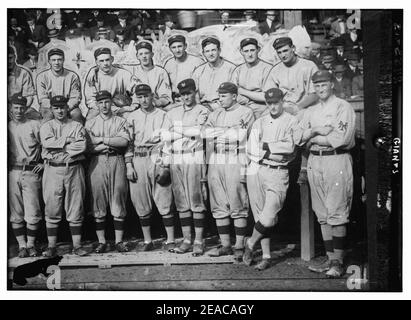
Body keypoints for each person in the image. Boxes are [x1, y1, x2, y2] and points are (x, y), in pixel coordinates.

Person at [296, 70, 356, 278]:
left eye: (324, 84)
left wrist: (314, 136)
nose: (320, 88)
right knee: (322, 214)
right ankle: (331, 258)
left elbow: (341, 138)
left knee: (337, 211)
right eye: (317, 85)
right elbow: (299, 138)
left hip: (336, 159)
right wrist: (316, 131)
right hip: (314, 160)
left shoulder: (343, 106)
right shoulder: (311, 111)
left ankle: (338, 261)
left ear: (332, 84)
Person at [243, 88, 299, 270]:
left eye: (276, 102)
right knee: (259, 214)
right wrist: (272, 152)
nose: (273, 106)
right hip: (259, 169)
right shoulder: (260, 122)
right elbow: (250, 149)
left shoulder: (291, 120)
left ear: (282, 101)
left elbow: (290, 147)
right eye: (269, 103)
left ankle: (250, 244)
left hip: (279, 172)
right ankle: (266, 256)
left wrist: (265, 147)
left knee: (268, 218)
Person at [203, 82, 255, 260]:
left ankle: (239, 244)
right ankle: (225, 244)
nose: (220, 98)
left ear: (234, 95)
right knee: (218, 203)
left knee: (237, 201)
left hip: (236, 156)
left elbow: (244, 138)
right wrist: (208, 164)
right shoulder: (215, 113)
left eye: (224, 95)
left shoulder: (245, 112)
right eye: (219, 95)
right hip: (216, 158)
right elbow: (208, 138)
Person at [125, 84, 175, 252]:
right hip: (138, 158)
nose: (144, 100)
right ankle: (147, 240)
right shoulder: (132, 116)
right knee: (140, 200)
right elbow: (129, 143)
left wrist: (165, 165)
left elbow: (168, 141)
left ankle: (171, 239)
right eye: (140, 97)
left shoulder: (163, 115)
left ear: (152, 95)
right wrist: (128, 165)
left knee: (164, 197)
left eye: (146, 96)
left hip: (156, 155)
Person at [164, 79, 209, 255]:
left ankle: (198, 240)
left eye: (189, 93)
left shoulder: (203, 110)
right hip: (176, 158)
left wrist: (178, 131)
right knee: (181, 202)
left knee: (196, 200)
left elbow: (198, 132)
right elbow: (166, 136)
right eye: (183, 94)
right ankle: (187, 239)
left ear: (195, 92)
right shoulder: (172, 113)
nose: (186, 97)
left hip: (193, 156)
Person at [40, 95, 89, 257]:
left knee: (76, 207)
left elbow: (81, 145)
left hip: (74, 168)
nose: (60, 110)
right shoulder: (46, 126)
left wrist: (59, 145)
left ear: (67, 108)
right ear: (52, 109)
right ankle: (52, 247)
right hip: (53, 170)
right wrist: (68, 141)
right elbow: (47, 143)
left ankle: (77, 245)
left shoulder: (76, 124)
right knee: (52, 207)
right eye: (56, 108)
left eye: (62, 107)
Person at [85, 91, 131, 253]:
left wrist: (102, 140)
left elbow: (123, 141)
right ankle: (102, 241)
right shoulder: (90, 123)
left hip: (116, 160)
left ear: (111, 102)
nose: (104, 105)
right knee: (98, 199)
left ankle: (119, 241)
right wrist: (111, 143)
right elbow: (88, 147)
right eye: (101, 102)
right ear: (97, 104)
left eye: (106, 102)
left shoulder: (120, 121)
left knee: (118, 197)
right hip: (97, 162)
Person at [8, 94, 43, 258]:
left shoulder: (34, 124)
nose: (19, 110)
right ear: (11, 108)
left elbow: (46, 145)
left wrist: (43, 162)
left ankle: (30, 245)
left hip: (30, 170)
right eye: (16, 107)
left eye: (22, 107)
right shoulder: (7, 126)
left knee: (33, 210)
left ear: (26, 108)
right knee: (16, 212)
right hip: (13, 171)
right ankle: (22, 245)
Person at [84, 47, 133, 119]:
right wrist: (107, 108)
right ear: (97, 62)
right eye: (101, 61)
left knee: (130, 117)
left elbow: (136, 90)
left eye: (107, 60)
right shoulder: (92, 76)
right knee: (90, 118)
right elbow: (90, 100)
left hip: (120, 107)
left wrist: (133, 106)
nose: (105, 63)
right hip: (101, 108)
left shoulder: (123, 73)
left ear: (112, 59)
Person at [36, 48, 83, 123]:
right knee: (48, 116)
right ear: (49, 61)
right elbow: (42, 99)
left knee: (76, 114)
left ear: (63, 60)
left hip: (68, 106)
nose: (56, 63)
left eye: (59, 60)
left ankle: (77, 134)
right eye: (53, 60)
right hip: (49, 107)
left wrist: (65, 108)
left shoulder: (72, 76)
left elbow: (75, 97)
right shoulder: (42, 77)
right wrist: (55, 109)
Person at [231, 37, 273, 119]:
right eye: (246, 51)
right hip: (241, 107)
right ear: (241, 52)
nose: (250, 54)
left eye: (252, 50)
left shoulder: (267, 68)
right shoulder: (238, 70)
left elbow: (267, 97)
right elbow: (232, 94)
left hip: (261, 109)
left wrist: (242, 91)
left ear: (258, 49)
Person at [192, 37, 236, 112]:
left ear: (219, 51)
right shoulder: (198, 71)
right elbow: (194, 94)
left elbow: (234, 95)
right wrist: (199, 109)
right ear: (203, 53)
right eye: (207, 51)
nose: (211, 54)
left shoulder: (231, 69)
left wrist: (212, 107)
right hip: (202, 109)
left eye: (213, 50)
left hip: (224, 109)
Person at [128, 41, 173, 109]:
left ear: (152, 54)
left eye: (146, 53)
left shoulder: (161, 72)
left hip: (155, 107)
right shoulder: (132, 71)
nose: (144, 56)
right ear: (137, 56)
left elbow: (166, 98)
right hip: (136, 107)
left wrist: (157, 102)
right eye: (141, 54)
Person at [8, 46, 40, 120]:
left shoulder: (23, 72)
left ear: (15, 57)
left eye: (10, 58)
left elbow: (29, 96)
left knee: (36, 116)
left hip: (21, 106)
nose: (8, 61)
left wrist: (20, 110)